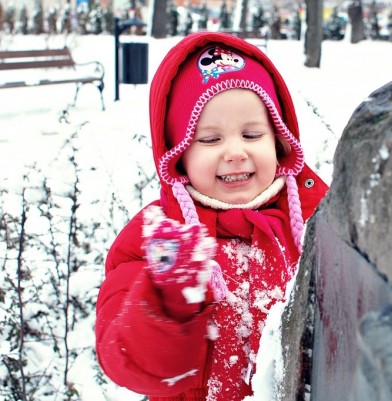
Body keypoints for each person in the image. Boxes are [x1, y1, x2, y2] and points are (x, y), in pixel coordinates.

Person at [94, 32, 328, 401]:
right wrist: (166, 298)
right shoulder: (158, 241)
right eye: (209, 139)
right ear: (178, 155)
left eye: (252, 134)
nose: (235, 152)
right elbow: (126, 361)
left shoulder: (316, 223)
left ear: (280, 140)